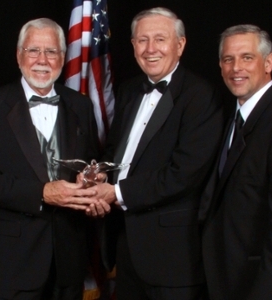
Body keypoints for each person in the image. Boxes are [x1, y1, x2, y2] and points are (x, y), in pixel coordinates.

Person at [87, 7, 224, 300]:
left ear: (180, 44)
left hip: (173, 256)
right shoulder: (128, 90)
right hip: (125, 249)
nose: (151, 49)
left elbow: (184, 173)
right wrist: (101, 174)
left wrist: (115, 193)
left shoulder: (201, 96)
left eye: (160, 39)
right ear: (133, 45)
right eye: (142, 40)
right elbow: (116, 151)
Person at [0, 18, 103, 300]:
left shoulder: (80, 105)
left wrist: (92, 181)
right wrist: (42, 193)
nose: (42, 60)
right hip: (14, 260)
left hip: (70, 257)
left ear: (63, 58)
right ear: (19, 56)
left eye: (51, 52)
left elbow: (90, 162)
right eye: (33, 51)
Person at [199, 24, 272, 300]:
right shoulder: (229, 116)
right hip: (222, 280)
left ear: (269, 62)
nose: (236, 68)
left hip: (260, 286)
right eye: (228, 59)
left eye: (247, 57)